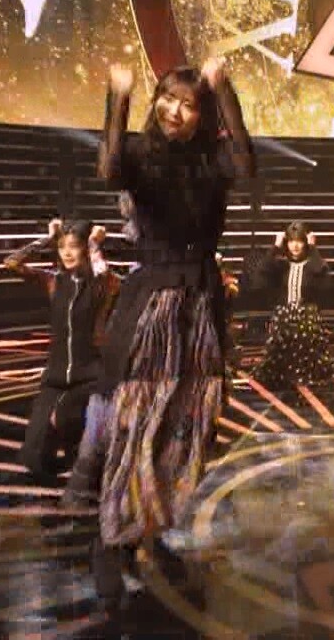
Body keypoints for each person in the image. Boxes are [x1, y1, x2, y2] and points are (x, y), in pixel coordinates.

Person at [92, 56, 255, 621]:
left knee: (187, 424)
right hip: (154, 306)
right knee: (138, 421)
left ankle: (151, 522)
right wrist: (118, 99)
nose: (174, 111)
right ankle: (112, 536)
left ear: (202, 114)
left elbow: (245, 163)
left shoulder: (212, 160)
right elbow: (109, 169)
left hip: (200, 305)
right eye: (167, 98)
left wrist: (224, 89)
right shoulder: (140, 154)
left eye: (188, 104)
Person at [3, 218, 120, 486]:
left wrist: (93, 244)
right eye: (62, 247)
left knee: (65, 417)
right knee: (32, 458)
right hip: (55, 376)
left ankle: (90, 463)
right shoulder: (54, 282)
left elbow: (103, 273)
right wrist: (47, 239)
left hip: (89, 376)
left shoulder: (103, 283)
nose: (67, 253)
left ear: (85, 249)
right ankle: (78, 462)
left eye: (74, 246)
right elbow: (11, 263)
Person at [243, 222, 334, 390]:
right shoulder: (281, 266)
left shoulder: (313, 265)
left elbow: (325, 282)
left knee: (308, 343)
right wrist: (275, 247)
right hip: (285, 318)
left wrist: (313, 249)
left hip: (307, 318)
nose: (295, 246)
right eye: (291, 241)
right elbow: (260, 276)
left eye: (299, 241)